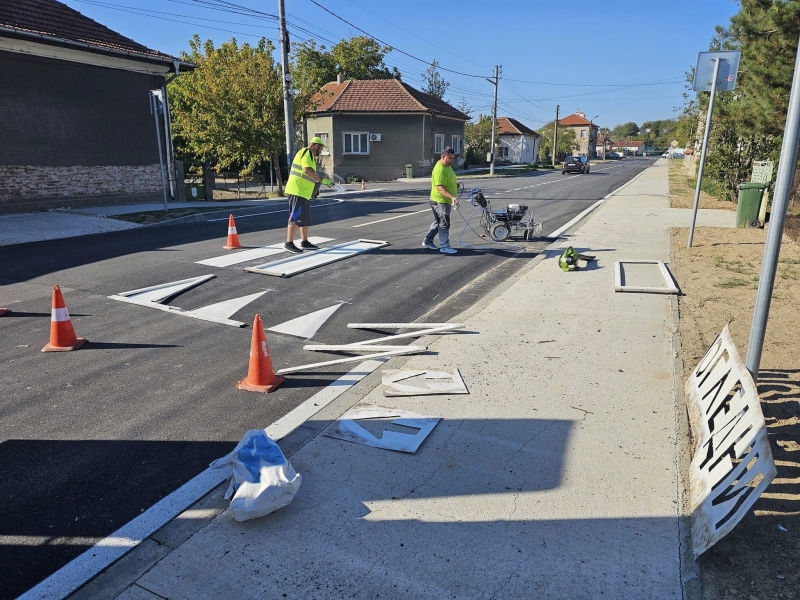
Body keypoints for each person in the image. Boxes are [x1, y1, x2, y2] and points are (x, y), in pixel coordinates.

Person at [284, 137, 331, 253]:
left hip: (303, 193)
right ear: (316, 146)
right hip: (297, 191)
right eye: (321, 148)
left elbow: (308, 175)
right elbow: (307, 171)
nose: (321, 151)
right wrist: (322, 180)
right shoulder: (307, 152)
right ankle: (288, 243)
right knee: (295, 217)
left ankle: (304, 242)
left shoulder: (310, 156)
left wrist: (313, 190)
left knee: (304, 219)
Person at [422, 146, 459, 254]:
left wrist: (455, 185)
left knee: (438, 221)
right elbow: (440, 188)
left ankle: (428, 240)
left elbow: (447, 181)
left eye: (453, 158)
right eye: (450, 158)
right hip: (439, 200)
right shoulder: (439, 169)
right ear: (443, 156)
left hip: (445, 200)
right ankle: (445, 246)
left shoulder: (447, 166)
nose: (452, 160)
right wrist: (452, 197)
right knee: (444, 222)